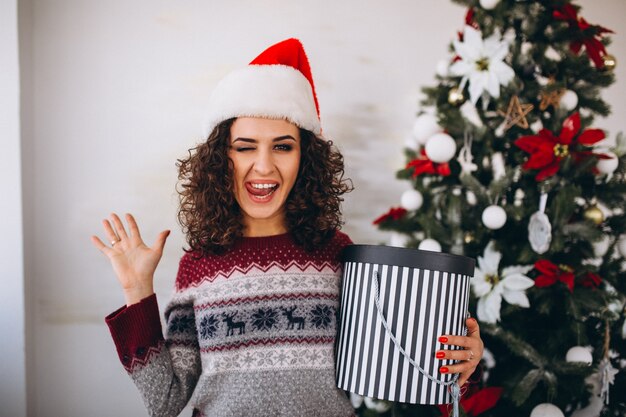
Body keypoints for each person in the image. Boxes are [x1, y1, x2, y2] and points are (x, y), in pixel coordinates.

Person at [91, 38, 484, 417]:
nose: (263, 166)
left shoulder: (337, 255)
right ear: (220, 159)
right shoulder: (198, 267)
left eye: (282, 146)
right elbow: (164, 402)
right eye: (245, 147)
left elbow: (398, 367)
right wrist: (136, 291)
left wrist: (459, 368)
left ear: (305, 157)